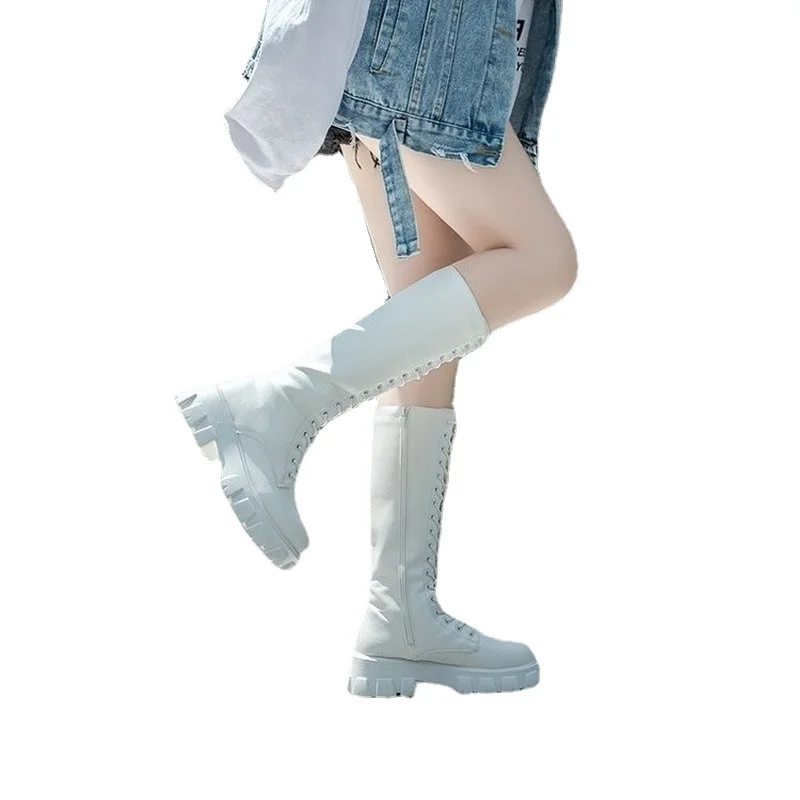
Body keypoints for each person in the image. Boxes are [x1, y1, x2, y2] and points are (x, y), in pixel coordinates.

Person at [175, 0, 576, 698]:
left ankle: (400, 615)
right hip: (434, 39)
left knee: (428, 324)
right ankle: (275, 405)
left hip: (418, 45)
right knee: (544, 261)